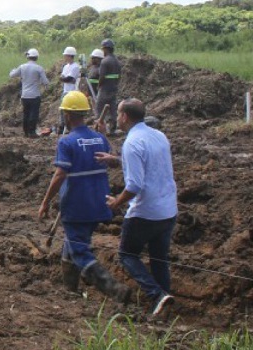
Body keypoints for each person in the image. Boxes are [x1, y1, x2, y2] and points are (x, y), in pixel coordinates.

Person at [37, 91, 129, 301]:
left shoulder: (66, 142)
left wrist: (45, 202)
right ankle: (70, 290)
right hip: (99, 202)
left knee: (79, 250)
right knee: (74, 243)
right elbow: (114, 160)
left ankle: (114, 288)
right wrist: (102, 135)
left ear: (67, 116)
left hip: (76, 204)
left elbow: (60, 174)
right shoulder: (99, 138)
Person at [95, 98, 178, 318]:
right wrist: (117, 158)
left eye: (118, 113)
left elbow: (134, 185)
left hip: (145, 212)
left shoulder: (132, 144)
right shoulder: (158, 135)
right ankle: (164, 300)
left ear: (124, 117)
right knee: (159, 258)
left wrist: (116, 202)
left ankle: (155, 294)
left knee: (127, 254)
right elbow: (148, 162)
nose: (116, 117)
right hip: (168, 209)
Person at [9, 48, 50, 137]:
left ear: (28, 57)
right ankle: (32, 132)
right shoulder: (39, 68)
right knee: (33, 114)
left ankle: (26, 132)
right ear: (37, 57)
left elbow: (12, 75)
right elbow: (45, 82)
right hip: (35, 95)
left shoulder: (22, 67)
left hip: (24, 95)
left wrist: (12, 70)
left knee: (26, 113)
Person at [97, 39, 121, 134]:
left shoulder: (104, 61)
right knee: (112, 108)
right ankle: (113, 127)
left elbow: (102, 76)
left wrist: (99, 86)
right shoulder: (117, 61)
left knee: (99, 108)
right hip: (113, 88)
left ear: (105, 49)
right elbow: (119, 76)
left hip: (105, 88)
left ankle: (100, 127)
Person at [58, 47, 82, 134]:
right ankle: (62, 125)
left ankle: (69, 127)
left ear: (69, 56)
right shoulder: (66, 67)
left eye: (65, 56)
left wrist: (64, 79)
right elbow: (63, 77)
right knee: (62, 109)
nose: (64, 57)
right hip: (65, 91)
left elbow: (69, 79)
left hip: (71, 92)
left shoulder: (75, 67)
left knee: (70, 110)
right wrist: (65, 79)